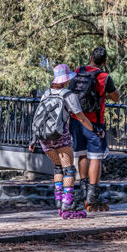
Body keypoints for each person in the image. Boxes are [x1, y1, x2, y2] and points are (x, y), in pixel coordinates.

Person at [29, 64, 103, 219]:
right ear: (66, 79)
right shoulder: (68, 95)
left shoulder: (46, 94)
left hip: (44, 138)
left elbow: (40, 117)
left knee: (57, 168)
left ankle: (58, 201)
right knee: (68, 170)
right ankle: (67, 205)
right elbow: (81, 117)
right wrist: (95, 129)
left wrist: (34, 139)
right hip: (60, 137)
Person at [69, 47, 120, 212]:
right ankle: (93, 193)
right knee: (95, 157)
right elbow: (116, 97)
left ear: (90, 57)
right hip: (95, 122)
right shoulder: (104, 77)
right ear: (104, 61)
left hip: (76, 120)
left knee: (82, 154)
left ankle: (83, 190)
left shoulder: (78, 71)